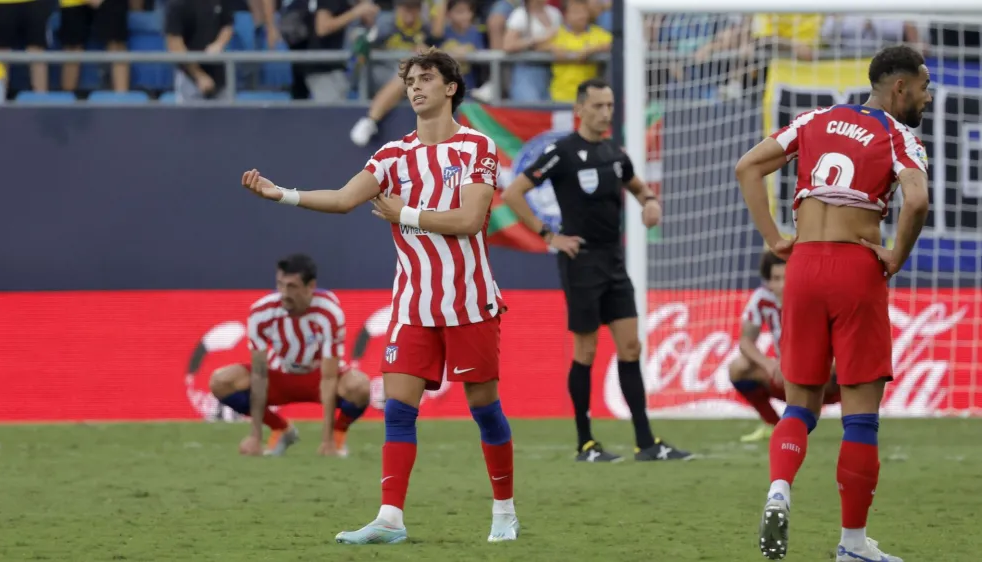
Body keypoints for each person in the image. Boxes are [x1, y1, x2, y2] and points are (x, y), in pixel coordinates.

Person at [239, 48, 519, 545]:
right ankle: (390, 518)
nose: (416, 87)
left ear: (450, 87)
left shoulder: (477, 147)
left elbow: (470, 220)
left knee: (484, 409)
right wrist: (282, 194)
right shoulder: (393, 155)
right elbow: (347, 199)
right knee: (397, 409)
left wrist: (404, 214)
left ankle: (503, 512)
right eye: (410, 79)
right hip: (412, 305)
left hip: (469, 302)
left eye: (427, 78)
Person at [735, 44, 931, 562]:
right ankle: (852, 545)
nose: (927, 98)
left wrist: (775, 238)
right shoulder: (900, 136)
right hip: (855, 266)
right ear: (900, 88)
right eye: (924, 88)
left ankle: (779, 488)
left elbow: (747, 168)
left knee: (799, 403)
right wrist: (895, 256)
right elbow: (917, 200)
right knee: (861, 418)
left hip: (801, 267)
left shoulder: (813, 119)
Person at [503, 78, 692, 463]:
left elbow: (639, 188)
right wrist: (548, 235)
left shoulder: (614, 153)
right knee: (586, 350)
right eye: (598, 106)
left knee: (631, 346)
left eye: (609, 105)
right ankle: (586, 443)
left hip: (613, 261)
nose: (605, 113)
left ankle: (646, 443)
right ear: (580, 109)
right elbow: (512, 193)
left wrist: (651, 202)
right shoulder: (562, 152)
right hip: (581, 261)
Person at [209, 254, 371, 457]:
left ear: (310, 286)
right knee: (220, 381)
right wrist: (255, 435)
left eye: (292, 287)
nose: (284, 293)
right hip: (279, 376)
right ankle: (281, 429)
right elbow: (259, 375)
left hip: (319, 376)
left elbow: (329, 377)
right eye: (280, 285)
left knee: (360, 387)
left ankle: (337, 436)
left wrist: (327, 440)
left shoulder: (329, 311)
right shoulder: (261, 312)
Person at [731, 250, 840, 443]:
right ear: (768, 281)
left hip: (823, 380)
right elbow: (745, 342)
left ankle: (857, 425)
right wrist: (769, 365)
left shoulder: (816, 295)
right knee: (738, 368)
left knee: (845, 364)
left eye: (787, 277)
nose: (782, 285)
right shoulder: (762, 298)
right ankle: (774, 426)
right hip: (787, 379)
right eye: (776, 278)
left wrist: (798, 364)